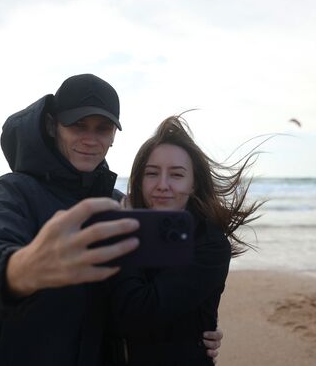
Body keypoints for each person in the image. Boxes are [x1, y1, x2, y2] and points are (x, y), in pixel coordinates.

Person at [0, 74, 222, 366]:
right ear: (53, 126)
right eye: (78, 125)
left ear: (113, 136)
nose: (90, 140)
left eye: (102, 128)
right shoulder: (14, 192)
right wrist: (22, 268)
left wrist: (192, 327)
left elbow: (147, 299)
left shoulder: (120, 206)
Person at [105, 115, 262, 365]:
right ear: (139, 180)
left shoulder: (209, 244)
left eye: (176, 175)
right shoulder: (120, 223)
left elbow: (135, 314)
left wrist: (127, 238)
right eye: (152, 173)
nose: (162, 185)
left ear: (194, 183)